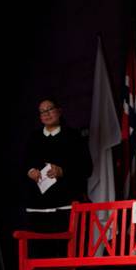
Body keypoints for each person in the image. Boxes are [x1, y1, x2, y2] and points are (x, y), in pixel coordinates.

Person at [23, 97, 92, 232]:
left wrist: (62, 171)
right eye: (43, 112)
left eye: (50, 109)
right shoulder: (33, 137)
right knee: (39, 249)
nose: (47, 114)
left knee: (65, 248)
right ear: (40, 117)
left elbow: (87, 168)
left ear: (59, 111)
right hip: (38, 205)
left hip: (66, 204)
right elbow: (25, 163)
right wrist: (30, 171)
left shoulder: (74, 136)